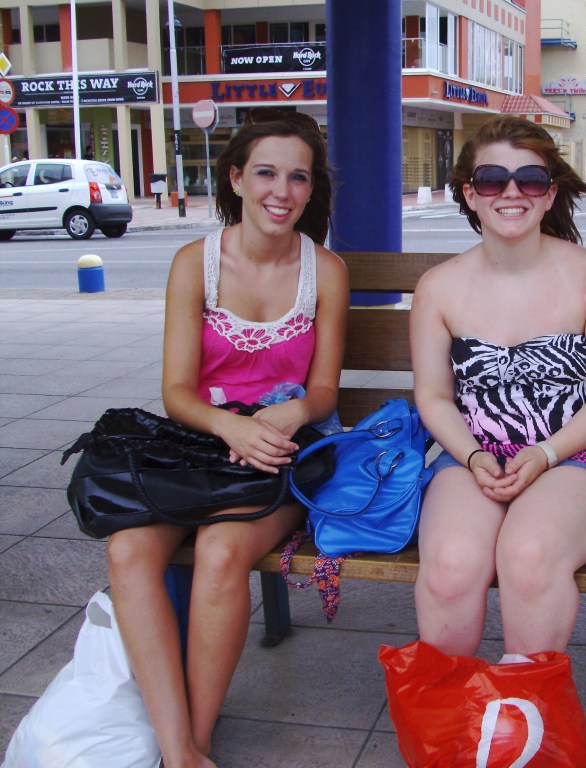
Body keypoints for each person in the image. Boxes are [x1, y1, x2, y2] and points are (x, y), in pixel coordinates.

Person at [106, 109, 348, 768]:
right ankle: (177, 746)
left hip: (283, 452)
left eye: (298, 177)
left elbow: (324, 392)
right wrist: (228, 423)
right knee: (128, 550)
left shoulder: (324, 270)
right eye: (266, 173)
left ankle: (197, 742)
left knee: (219, 551)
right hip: (201, 445)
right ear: (236, 178)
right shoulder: (196, 263)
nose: (282, 191)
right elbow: (176, 391)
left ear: (311, 189)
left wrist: (291, 413)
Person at [411, 114, 586, 659]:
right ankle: (447, 709)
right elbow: (434, 396)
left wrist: (545, 453)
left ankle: (527, 708)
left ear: (549, 193)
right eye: (492, 179)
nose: (511, 192)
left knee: (529, 555)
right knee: (450, 566)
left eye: (530, 179)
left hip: (577, 456)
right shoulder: (439, 287)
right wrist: (471, 456)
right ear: (470, 194)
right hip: (473, 456)